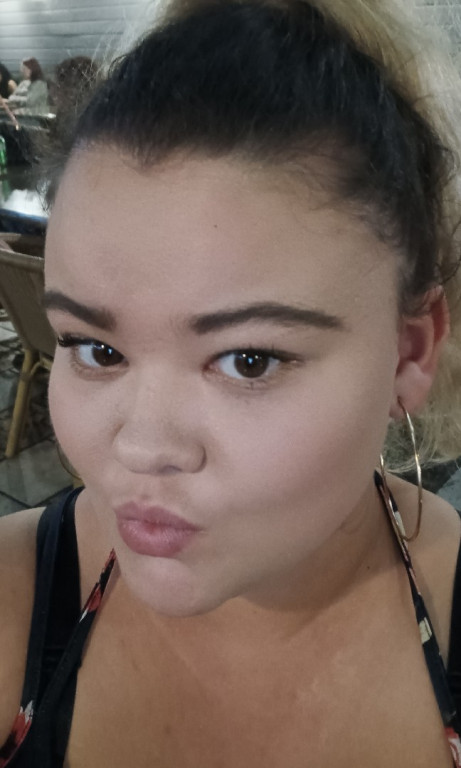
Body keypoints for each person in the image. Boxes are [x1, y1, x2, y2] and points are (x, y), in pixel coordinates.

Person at [1, 0, 461, 765]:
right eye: (97, 349)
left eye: (249, 360)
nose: (141, 447)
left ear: (407, 354)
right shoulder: (16, 599)